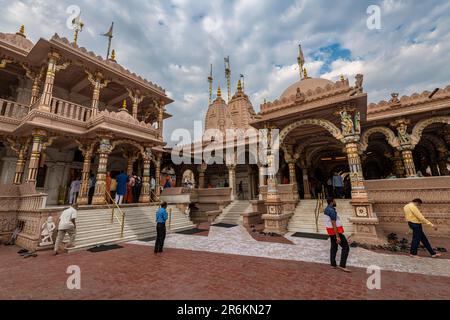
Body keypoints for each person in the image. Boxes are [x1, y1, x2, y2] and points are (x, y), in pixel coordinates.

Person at [324, 197, 351, 273]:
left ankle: (333, 264)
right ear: (331, 202)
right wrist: (338, 236)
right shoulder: (331, 211)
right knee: (345, 247)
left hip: (330, 232)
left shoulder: (326, 209)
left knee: (334, 247)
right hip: (336, 232)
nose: (336, 202)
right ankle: (342, 265)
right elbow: (333, 223)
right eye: (334, 201)